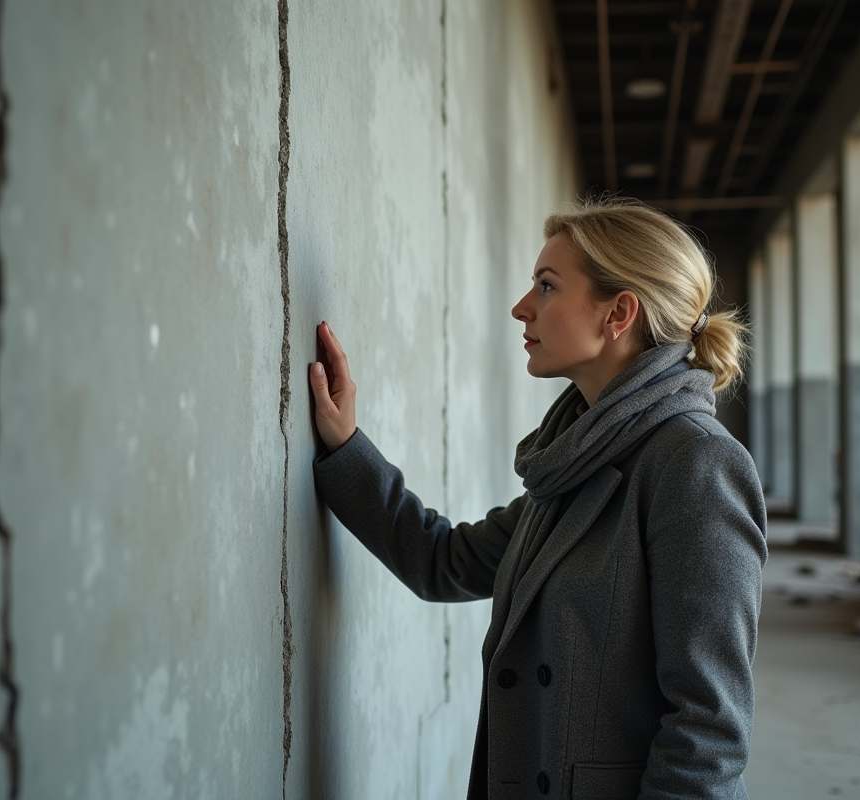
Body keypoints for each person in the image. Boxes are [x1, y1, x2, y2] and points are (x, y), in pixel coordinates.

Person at [308, 197, 767, 800]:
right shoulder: (578, 459)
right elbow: (444, 560)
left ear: (618, 313)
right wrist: (346, 448)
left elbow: (708, 729)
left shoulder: (696, 464)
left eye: (546, 287)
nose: (522, 308)